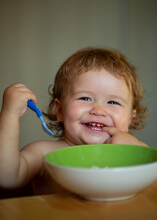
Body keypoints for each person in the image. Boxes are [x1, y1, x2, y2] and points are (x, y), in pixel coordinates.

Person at [0, 47, 148, 195]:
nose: (98, 110)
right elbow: (7, 178)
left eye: (113, 102)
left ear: (130, 119)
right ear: (60, 110)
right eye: (85, 98)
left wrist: (138, 149)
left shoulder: (133, 154)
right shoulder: (43, 154)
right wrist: (10, 113)